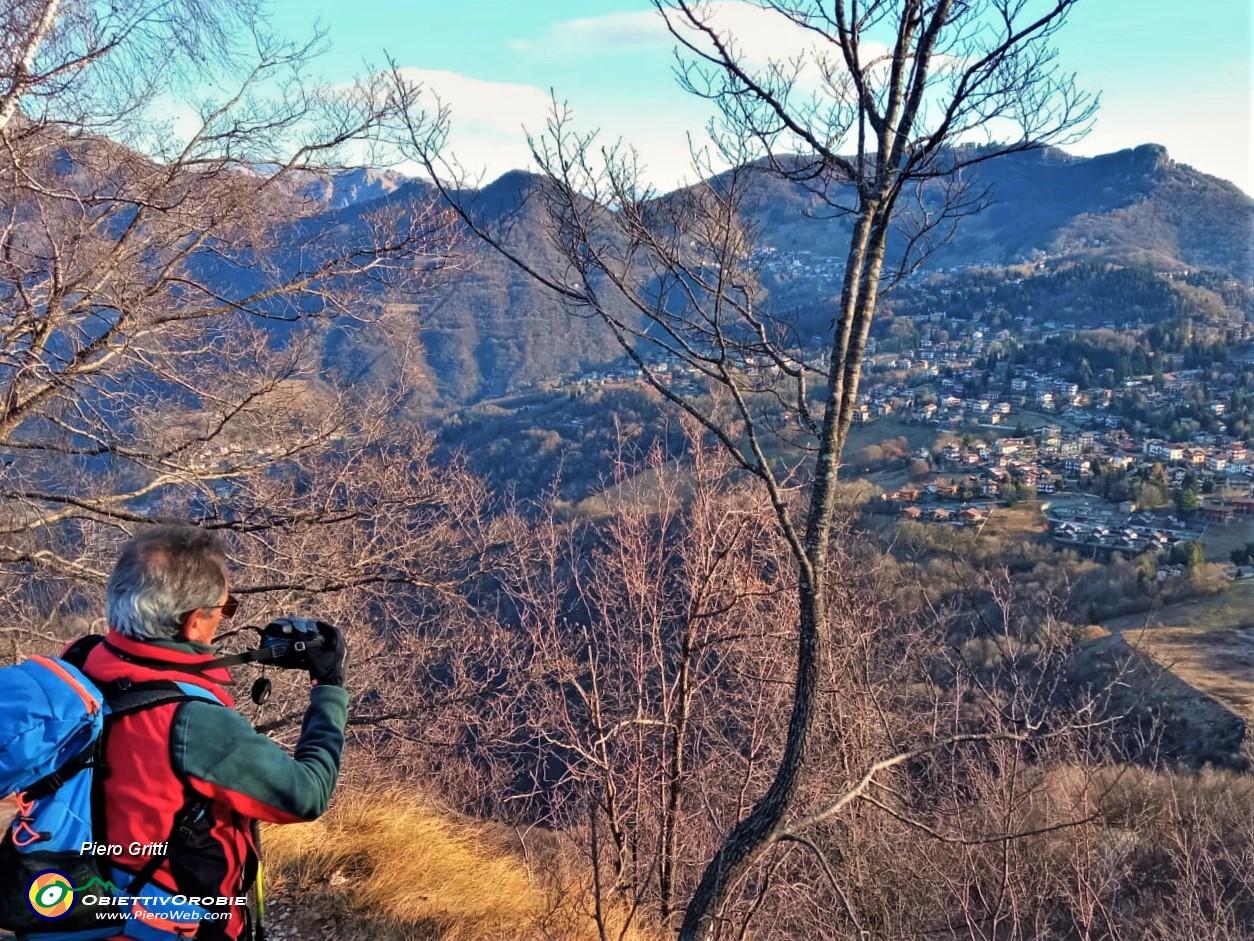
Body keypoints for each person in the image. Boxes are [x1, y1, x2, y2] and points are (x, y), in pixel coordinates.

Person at [73, 522, 349, 940]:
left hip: (87, 905)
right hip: (175, 926)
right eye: (225, 608)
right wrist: (329, 687)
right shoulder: (193, 723)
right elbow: (306, 795)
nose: (224, 617)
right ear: (191, 622)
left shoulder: (81, 663)